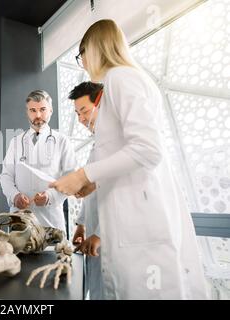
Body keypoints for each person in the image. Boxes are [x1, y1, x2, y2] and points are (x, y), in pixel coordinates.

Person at [50, 19, 209, 299]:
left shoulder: (121, 78)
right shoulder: (118, 82)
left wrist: (83, 175)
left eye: (82, 54)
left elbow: (148, 149)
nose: (82, 63)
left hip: (139, 222)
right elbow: (124, 155)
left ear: (96, 48)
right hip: (129, 219)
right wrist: (93, 183)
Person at [0, 90, 77, 234]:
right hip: (20, 218)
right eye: (33, 110)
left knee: (53, 254)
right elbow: (6, 176)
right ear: (27, 112)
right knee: (19, 254)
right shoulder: (16, 142)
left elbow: (70, 178)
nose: (38, 115)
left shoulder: (62, 141)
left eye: (42, 109)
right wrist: (14, 195)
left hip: (51, 219)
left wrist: (50, 197)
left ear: (51, 110)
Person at [69, 81, 105, 300]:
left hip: (109, 238)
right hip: (93, 233)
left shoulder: (116, 144)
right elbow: (92, 191)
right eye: (77, 113)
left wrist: (100, 233)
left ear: (101, 105)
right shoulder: (98, 144)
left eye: (84, 111)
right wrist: (81, 224)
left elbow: (119, 194)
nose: (81, 119)